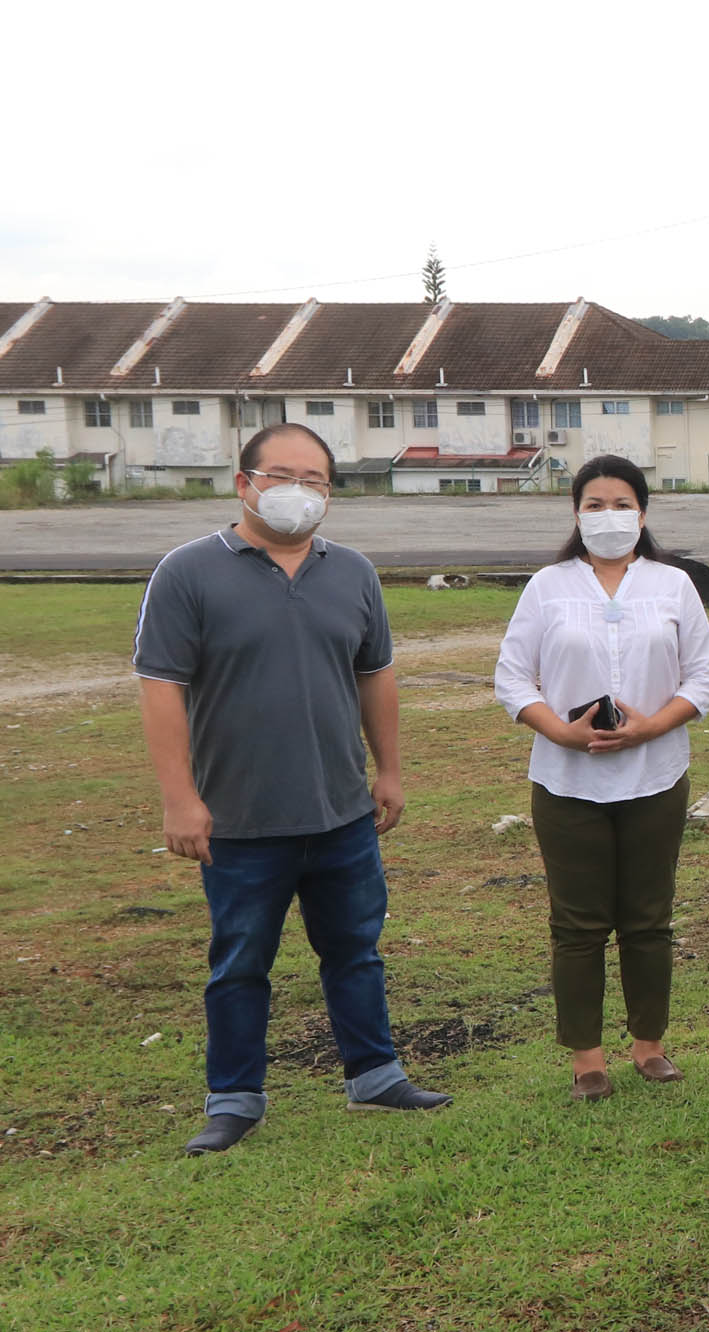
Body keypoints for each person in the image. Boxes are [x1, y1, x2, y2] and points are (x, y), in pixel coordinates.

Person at [134, 423, 451, 1156]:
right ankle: (235, 1098)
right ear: (244, 483)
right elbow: (161, 689)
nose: (299, 493)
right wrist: (180, 799)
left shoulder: (353, 574)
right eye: (283, 476)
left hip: (341, 812)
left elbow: (376, 677)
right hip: (241, 819)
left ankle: (374, 1075)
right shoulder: (187, 573)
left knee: (355, 949)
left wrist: (390, 770)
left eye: (316, 482)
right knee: (241, 960)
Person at [495, 455, 709, 1102]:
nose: (608, 515)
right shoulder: (547, 587)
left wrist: (653, 727)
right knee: (577, 924)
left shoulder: (673, 585)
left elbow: (704, 677)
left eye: (620, 503)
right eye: (594, 504)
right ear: (576, 514)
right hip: (567, 782)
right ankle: (587, 1060)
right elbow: (512, 676)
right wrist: (558, 730)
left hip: (655, 776)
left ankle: (649, 1046)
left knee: (648, 918)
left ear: (642, 513)